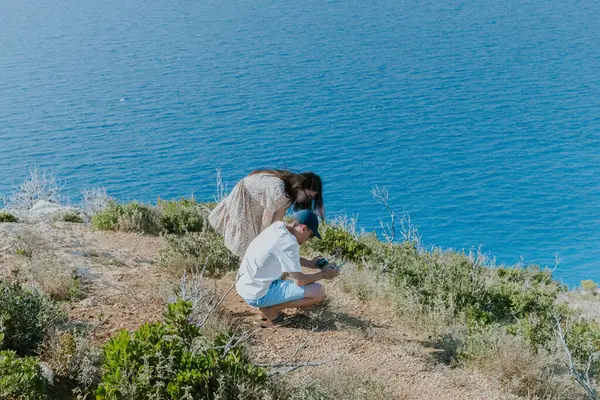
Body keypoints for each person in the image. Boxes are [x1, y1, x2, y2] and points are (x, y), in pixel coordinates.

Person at [235, 210, 339, 324]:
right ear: (304, 228)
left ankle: (269, 304)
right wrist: (324, 274)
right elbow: (300, 281)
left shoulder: (277, 226)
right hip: (257, 295)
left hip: (244, 286)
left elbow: (284, 255)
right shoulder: (289, 243)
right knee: (318, 291)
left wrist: (310, 263)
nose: (308, 240)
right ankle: (270, 309)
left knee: (287, 269)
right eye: (310, 236)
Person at [208, 169, 324, 258]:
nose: (307, 201)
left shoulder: (288, 196)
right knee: (251, 242)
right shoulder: (279, 191)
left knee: (256, 242)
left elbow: (276, 222)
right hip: (245, 198)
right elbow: (266, 220)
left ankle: (248, 270)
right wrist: (263, 245)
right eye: (308, 196)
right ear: (300, 186)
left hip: (256, 201)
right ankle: (246, 274)